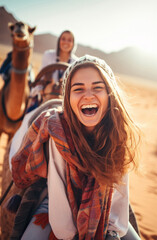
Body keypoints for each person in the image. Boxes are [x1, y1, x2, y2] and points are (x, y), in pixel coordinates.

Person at [11, 55, 141, 240]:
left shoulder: (118, 133)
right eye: (78, 89)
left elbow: (118, 192)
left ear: (110, 94)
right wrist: (68, 234)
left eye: (97, 87)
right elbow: (59, 191)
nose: (88, 95)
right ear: (68, 98)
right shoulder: (59, 131)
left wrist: (112, 231)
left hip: (105, 204)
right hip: (56, 205)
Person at [27, 30, 78, 112]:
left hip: (65, 103)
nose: (66, 42)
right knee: (28, 118)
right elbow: (40, 78)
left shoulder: (76, 62)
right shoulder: (48, 55)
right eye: (63, 39)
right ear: (59, 41)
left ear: (73, 44)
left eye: (69, 40)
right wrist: (41, 90)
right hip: (45, 98)